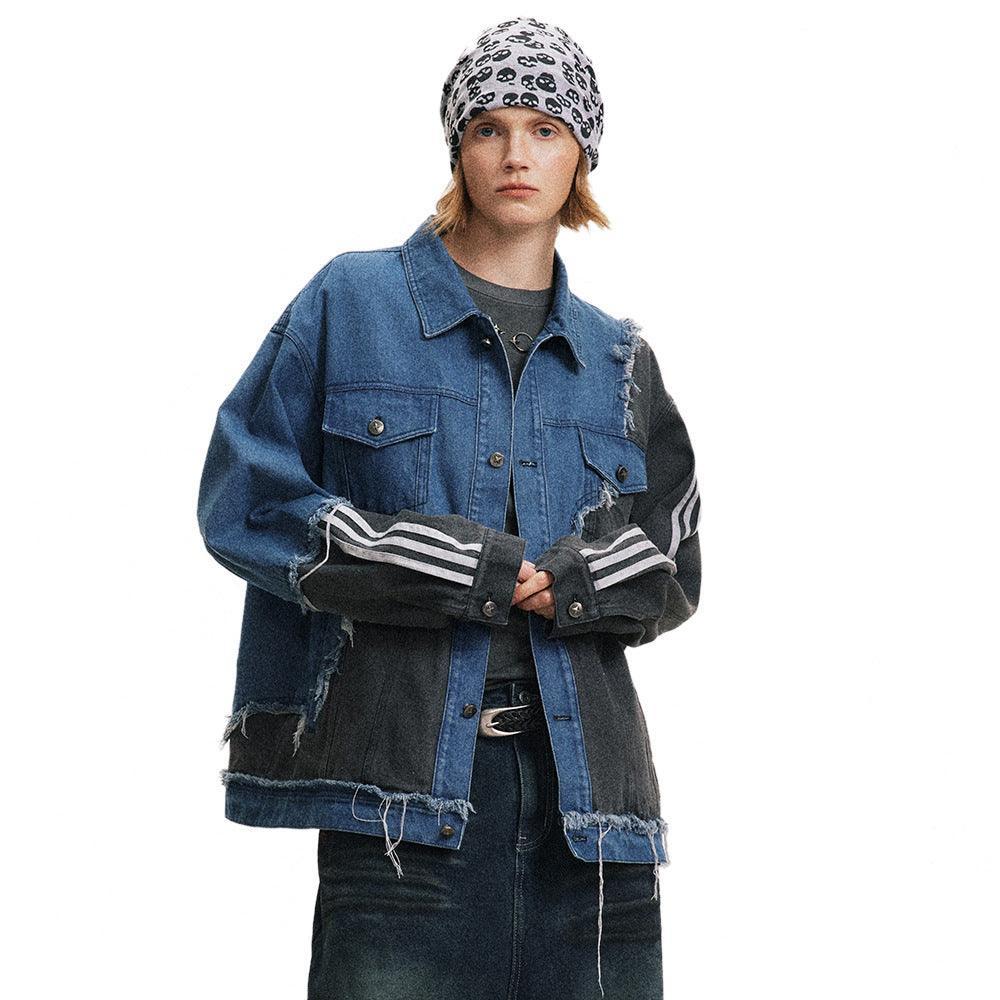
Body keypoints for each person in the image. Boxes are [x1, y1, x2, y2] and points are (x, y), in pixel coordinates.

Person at [196, 16, 702, 999]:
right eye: (490, 128)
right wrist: (456, 567)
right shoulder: (351, 301)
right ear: (457, 149)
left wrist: (580, 581)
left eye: (546, 129)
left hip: (594, 827)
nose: (517, 154)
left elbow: (673, 556)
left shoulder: (617, 357)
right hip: (401, 815)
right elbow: (246, 496)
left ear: (581, 155)